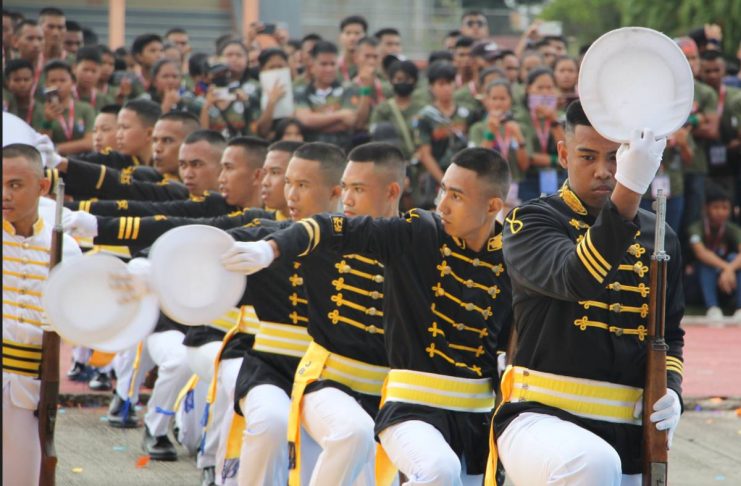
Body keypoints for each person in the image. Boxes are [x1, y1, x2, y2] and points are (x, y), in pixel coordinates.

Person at [225, 146, 513, 486]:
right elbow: (331, 227)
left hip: (476, 418)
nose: (442, 205)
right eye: (443, 191)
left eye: (456, 196)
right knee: (432, 468)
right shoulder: (419, 232)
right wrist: (269, 248)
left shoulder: (514, 254)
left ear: (493, 206)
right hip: (408, 404)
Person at [489, 101, 684, 485]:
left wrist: (672, 391)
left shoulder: (660, 235)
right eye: (587, 156)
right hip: (540, 415)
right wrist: (629, 190)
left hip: (627, 432)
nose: (604, 171)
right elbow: (575, 277)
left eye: (617, 158)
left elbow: (670, 334)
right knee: (591, 464)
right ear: (563, 154)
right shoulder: (530, 220)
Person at [3, 143, 82, 485]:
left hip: (28, 388)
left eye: (15, 185)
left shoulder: (66, 249)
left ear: (43, 187)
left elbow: (80, 320)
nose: (4, 195)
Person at [414, 61, 474, 207]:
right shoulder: (425, 116)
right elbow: (424, 154)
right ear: (431, 87)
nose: (446, 88)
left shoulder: (466, 113)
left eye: (449, 83)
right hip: (436, 178)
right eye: (441, 84)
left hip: (465, 177)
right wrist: (445, 181)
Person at [468, 79, 528, 207]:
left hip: (516, 186)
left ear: (510, 100)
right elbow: (478, 163)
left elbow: (524, 165)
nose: (498, 103)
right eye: (494, 98)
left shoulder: (518, 127)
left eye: (503, 98)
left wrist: (519, 137)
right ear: (486, 101)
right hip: (487, 186)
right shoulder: (477, 128)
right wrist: (490, 133)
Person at [688, 186, 741, 320]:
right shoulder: (696, 227)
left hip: (726, 283)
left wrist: (730, 268)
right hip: (696, 283)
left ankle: (739, 309)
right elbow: (701, 253)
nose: (720, 212)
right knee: (706, 264)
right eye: (716, 207)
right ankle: (713, 308)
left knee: (733, 258)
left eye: (725, 208)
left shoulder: (732, 229)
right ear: (706, 208)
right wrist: (727, 267)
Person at [294, 40, 357, 150]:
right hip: (309, 152)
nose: (329, 69)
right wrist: (340, 115)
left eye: (333, 64)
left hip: (342, 151)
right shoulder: (300, 92)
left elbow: (349, 122)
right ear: (312, 66)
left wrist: (315, 124)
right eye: (323, 64)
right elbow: (306, 121)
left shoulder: (349, 89)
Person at [515, 67, 565, 202]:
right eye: (540, 88)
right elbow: (527, 157)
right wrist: (556, 160)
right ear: (528, 89)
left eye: (549, 88)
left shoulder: (561, 117)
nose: (545, 93)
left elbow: (568, 153)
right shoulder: (519, 118)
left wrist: (553, 121)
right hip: (528, 179)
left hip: (559, 179)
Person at [31, 60, 96, 155]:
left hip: (83, 162)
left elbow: (89, 143)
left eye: (63, 80)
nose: (58, 84)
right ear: (46, 84)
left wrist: (56, 148)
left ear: (72, 82)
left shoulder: (85, 109)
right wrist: (47, 122)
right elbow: (42, 146)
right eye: (53, 81)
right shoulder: (40, 110)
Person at [370, 59, 424, 160]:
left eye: (408, 79)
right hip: (391, 162)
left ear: (415, 81)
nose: (403, 82)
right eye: (399, 79)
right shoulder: (383, 110)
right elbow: (375, 136)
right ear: (391, 81)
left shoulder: (423, 109)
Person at [337, 15, 368, 82]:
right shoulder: (333, 65)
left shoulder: (370, 65)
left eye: (357, 33)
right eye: (348, 33)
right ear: (340, 37)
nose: (352, 38)